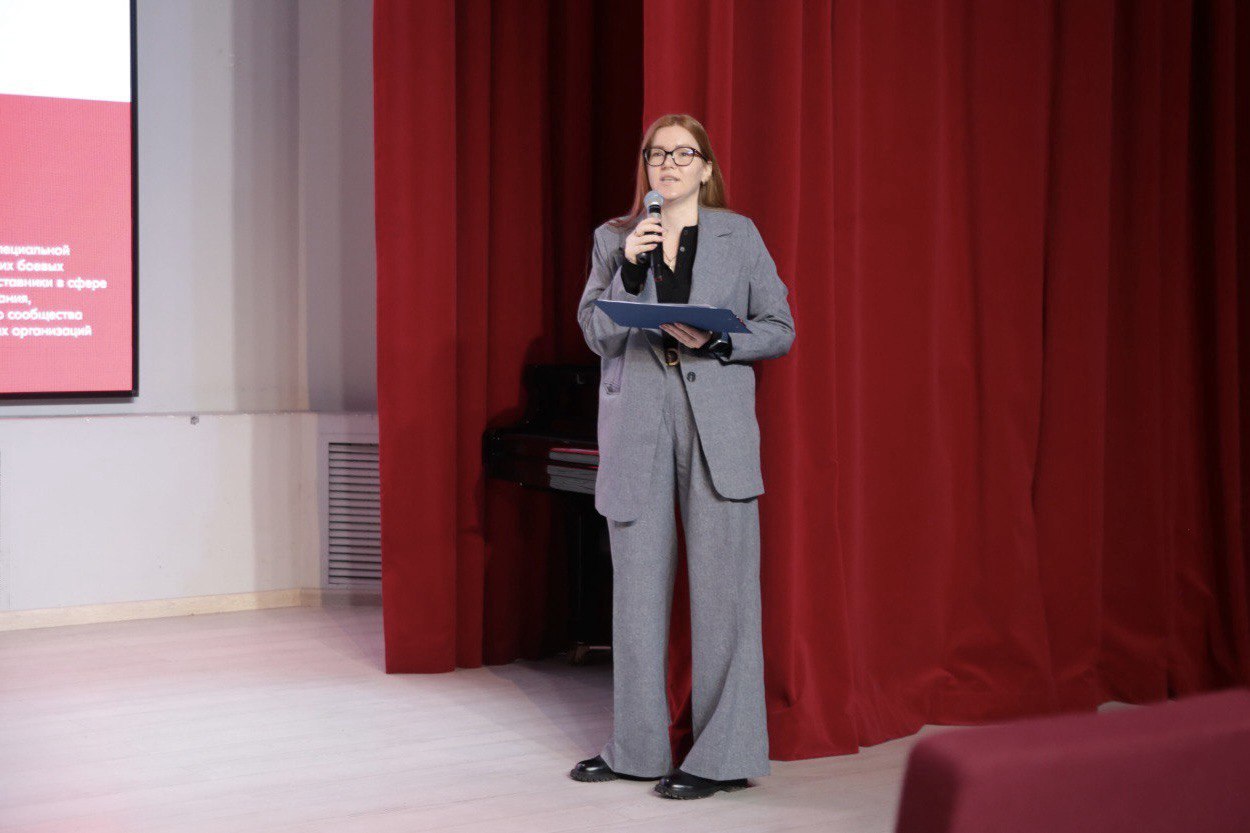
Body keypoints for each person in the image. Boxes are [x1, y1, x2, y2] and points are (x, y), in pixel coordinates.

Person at [570, 114, 796, 799]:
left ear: (705, 168)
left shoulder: (739, 235)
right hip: (639, 416)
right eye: (656, 153)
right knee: (637, 594)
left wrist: (721, 342)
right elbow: (594, 331)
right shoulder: (614, 238)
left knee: (725, 593)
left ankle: (722, 756)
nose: (668, 163)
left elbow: (779, 327)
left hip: (713, 419)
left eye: (682, 153)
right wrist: (629, 269)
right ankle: (636, 749)